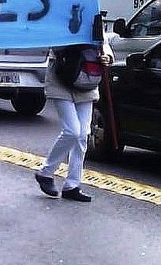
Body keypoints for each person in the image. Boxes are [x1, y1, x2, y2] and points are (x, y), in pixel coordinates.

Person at [35, 39, 114, 202]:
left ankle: (72, 185)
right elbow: (54, 45)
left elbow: (103, 42)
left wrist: (107, 56)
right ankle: (46, 173)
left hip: (87, 80)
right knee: (72, 131)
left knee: (83, 135)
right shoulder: (61, 20)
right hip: (62, 79)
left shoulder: (93, 19)